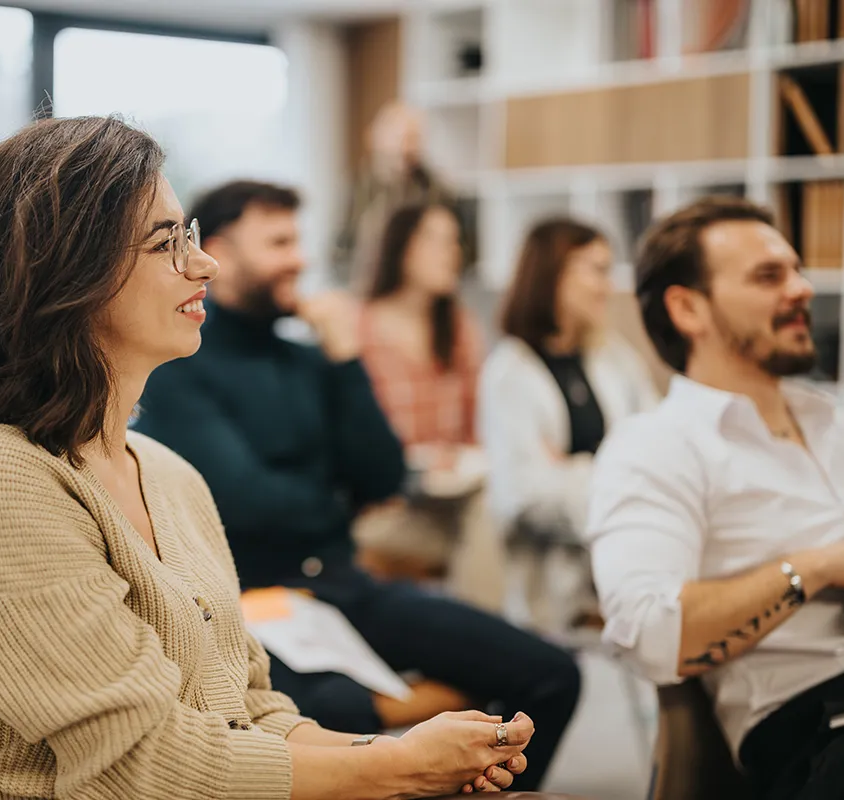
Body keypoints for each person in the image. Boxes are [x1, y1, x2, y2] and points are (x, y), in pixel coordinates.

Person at [0, 116, 535, 800]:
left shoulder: (167, 473)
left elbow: (252, 713)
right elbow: (139, 764)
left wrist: (401, 756)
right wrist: (397, 768)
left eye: (188, 236)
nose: (204, 264)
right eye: (168, 244)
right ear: (65, 274)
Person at [135, 179, 579, 792]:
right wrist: (336, 502)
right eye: (280, 242)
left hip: (344, 585)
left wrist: (346, 357)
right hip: (253, 600)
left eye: (299, 240)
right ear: (225, 253)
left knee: (550, 672)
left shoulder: (311, 361)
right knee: (337, 711)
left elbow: (385, 474)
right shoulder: (180, 363)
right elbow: (240, 501)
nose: (301, 259)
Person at [585, 197, 844, 800]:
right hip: (822, 735)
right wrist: (823, 566)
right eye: (769, 276)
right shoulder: (655, 447)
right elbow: (647, 631)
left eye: (796, 270)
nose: (801, 289)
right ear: (688, 307)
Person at [483, 217, 658, 632]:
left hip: (626, 550)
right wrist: (616, 479)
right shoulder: (510, 372)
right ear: (553, 274)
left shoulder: (613, 356)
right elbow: (524, 496)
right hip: (551, 578)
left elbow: (656, 448)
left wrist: (572, 470)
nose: (608, 286)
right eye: (596, 270)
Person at [354, 202, 500, 610]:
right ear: (400, 247)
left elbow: (480, 428)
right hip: (384, 507)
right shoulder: (357, 330)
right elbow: (350, 441)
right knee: (492, 535)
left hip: (454, 498)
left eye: (454, 241)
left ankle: (488, 644)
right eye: (435, 240)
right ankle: (485, 644)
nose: (451, 252)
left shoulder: (459, 328)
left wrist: (460, 456)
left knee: (497, 514)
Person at [333, 102, 460, 289]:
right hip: (364, 290)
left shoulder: (437, 193)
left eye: (415, 139)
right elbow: (339, 250)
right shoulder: (355, 189)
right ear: (374, 139)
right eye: (401, 138)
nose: (408, 148)